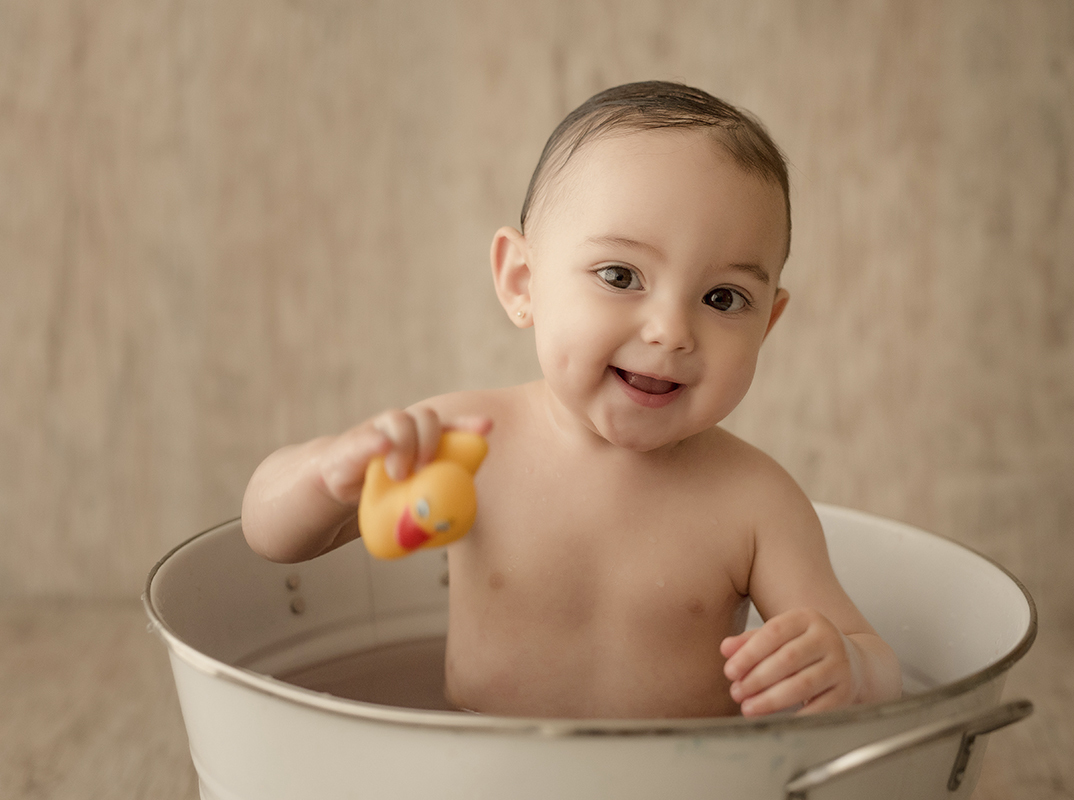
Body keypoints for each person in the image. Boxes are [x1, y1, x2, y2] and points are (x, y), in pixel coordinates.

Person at [242, 81, 902, 719]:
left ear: (768, 323)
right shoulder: (470, 441)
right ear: (521, 281)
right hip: (474, 771)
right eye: (620, 276)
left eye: (723, 298)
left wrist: (844, 664)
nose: (670, 331)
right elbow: (269, 537)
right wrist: (327, 473)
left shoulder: (756, 502)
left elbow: (879, 665)